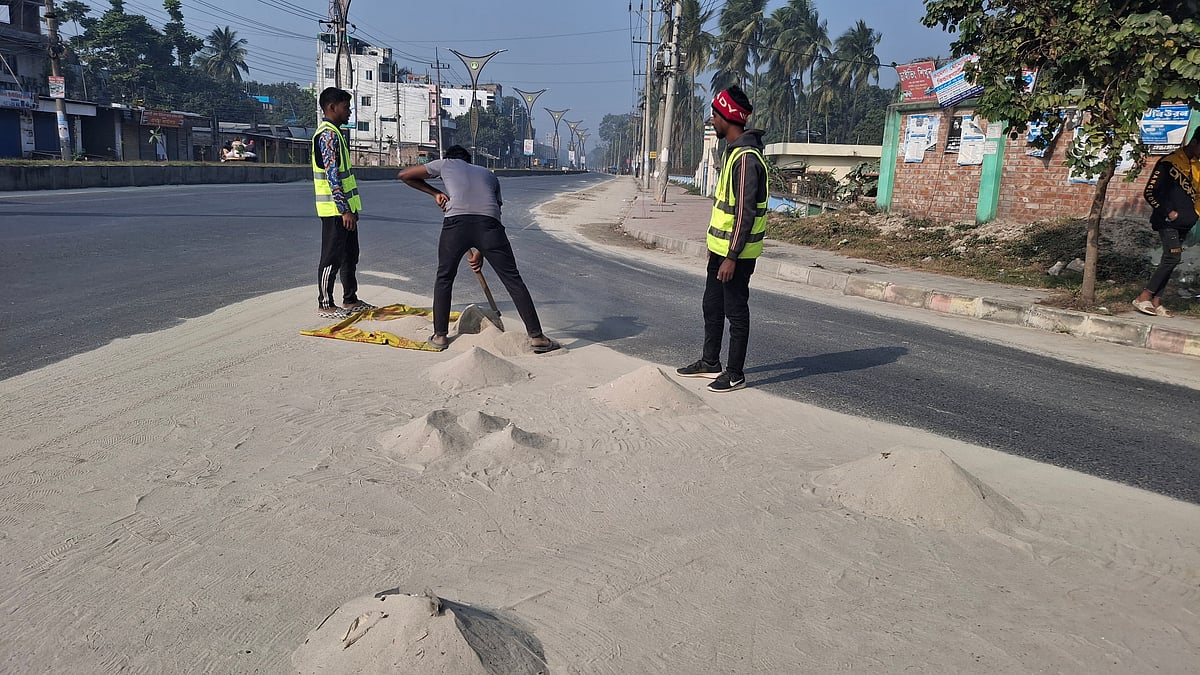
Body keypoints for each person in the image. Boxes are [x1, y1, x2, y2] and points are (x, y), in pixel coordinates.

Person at [398, 145, 558, 353]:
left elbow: (404, 175)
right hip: (490, 228)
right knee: (513, 279)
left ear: (449, 158)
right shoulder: (489, 174)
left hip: (456, 225)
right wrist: (481, 252)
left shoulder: (445, 164)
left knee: (444, 277)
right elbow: (495, 213)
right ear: (469, 160)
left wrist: (436, 193)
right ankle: (537, 337)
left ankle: (439, 336)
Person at [676, 85, 767, 393]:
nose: (711, 120)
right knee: (711, 305)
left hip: (736, 256)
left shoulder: (745, 158)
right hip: (721, 250)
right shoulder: (733, 153)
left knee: (736, 311)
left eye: (715, 115)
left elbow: (744, 212)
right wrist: (717, 250)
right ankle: (709, 361)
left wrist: (731, 256)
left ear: (727, 117)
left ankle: (735, 372)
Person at [313, 87, 373, 319]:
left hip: (347, 210)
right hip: (335, 211)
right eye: (346, 107)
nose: (349, 112)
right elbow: (332, 176)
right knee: (331, 257)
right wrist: (344, 209)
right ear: (332, 107)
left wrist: (352, 210)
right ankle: (325, 303)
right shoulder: (327, 135)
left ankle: (350, 299)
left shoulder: (337, 133)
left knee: (350, 255)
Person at [1133, 128, 1200, 318]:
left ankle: (1155, 302)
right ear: (1195, 142)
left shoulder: (1196, 167)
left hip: (1185, 223)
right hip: (1167, 221)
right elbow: (1149, 192)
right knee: (1173, 257)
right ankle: (1143, 297)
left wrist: (1195, 214)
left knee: (1169, 261)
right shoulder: (1168, 162)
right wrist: (1169, 212)